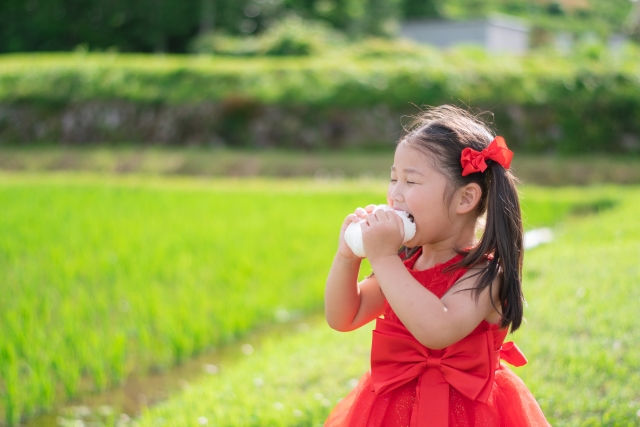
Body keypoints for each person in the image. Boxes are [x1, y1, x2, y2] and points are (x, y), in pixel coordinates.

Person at [324, 105, 551, 427]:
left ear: (464, 199)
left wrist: (384, 257)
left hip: (471, 410)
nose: (395, 195)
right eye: (393, 178)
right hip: (393, 407)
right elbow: (343, 317)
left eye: (411, 182)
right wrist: (347, 257)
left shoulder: (484, 274)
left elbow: (437, 330)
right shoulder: (405, 263)